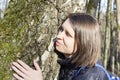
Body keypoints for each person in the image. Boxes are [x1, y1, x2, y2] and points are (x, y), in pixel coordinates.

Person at [11, 13, 109, 80]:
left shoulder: (91, 75)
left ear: (83, 42)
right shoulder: (70, 63)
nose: (59, 36)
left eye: (68, 34)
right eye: (61, 29)